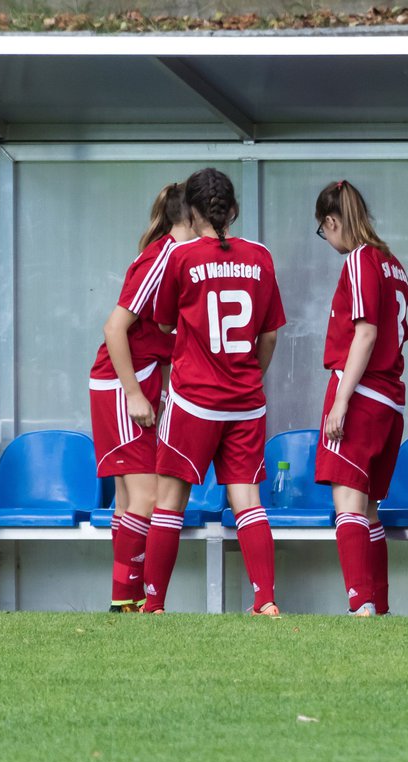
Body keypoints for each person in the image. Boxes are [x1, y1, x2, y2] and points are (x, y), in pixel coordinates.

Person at [140, 167, 287, 616]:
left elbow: (164, 323)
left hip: (193, 400)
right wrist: (248, 377)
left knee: (170, 501)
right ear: (233, 210)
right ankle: (265, 600)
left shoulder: (181, 257)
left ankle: (154, 604)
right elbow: (270, 335)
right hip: (245, 401)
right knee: (248, 500)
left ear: (191, 212)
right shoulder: (261, 257)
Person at [88, 183, 192, 613]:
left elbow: (158, 336)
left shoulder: (175, 256)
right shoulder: (164, 254)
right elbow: (114, 328)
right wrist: (133, 394)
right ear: (191, 216)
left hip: (139, 380)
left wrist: (161, 389)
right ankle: (125, 597)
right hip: (120, 384)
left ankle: (123, 598)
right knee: (146, 497)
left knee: (130, 499)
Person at [312, 179, 408, 618]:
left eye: (323, 229)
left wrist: (340, 402)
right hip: (390, 400)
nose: (327, 238)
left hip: (361, 393)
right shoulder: (394, 263)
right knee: (369, 508)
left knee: (347, 503)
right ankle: (379, 606)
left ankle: (360, 604)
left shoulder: (359, 260)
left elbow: (365, 333)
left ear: (332, 222)